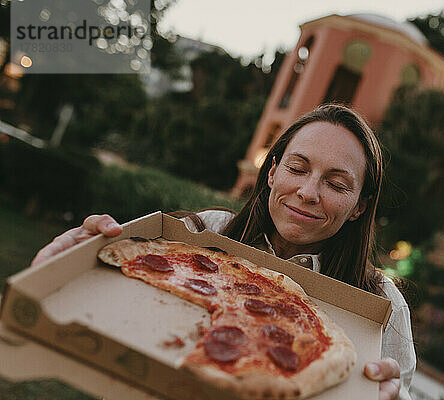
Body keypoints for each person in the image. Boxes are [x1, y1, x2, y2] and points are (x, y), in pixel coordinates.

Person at [31, 104, 417, 400]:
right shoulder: (207, 231)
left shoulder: (385, 305)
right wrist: (59, 269)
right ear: (271, 173)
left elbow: (397, 390)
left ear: (360, 207)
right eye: (298, 168)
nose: (308, 192)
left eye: (335, 183)